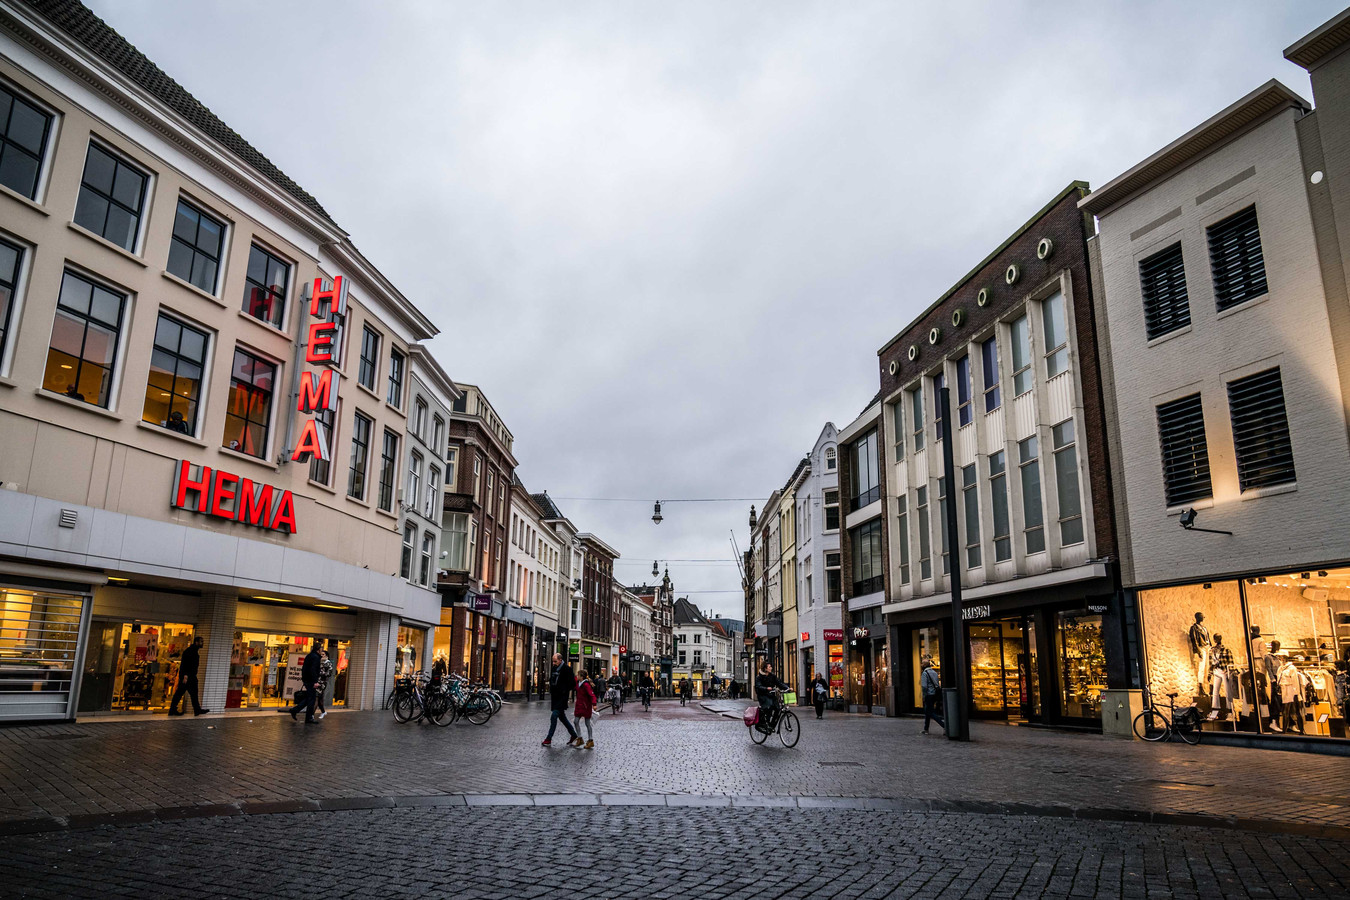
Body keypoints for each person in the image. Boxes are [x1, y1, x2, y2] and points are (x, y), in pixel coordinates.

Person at [543, 653, 580, 747]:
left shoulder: (567, 669)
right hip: (555, 697)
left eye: (555, 661)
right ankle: (574, 735)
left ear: (560, 660)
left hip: (562, 698)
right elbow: (552, 679)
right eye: (553, 661)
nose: (554, 663)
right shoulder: (554, 668)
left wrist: (564, 690)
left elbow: (572, 684)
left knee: (554, 716)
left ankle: (548, 738)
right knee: (562, 718)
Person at [168, 636, 209, 716]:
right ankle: (174, 709)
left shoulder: (192, 651)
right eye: (201, 642)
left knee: (189, 694)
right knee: (181, 693)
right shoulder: (190, 651)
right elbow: (186, 664)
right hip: (188, 677)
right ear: (196, 642)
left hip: (190, 676)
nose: (202, 643)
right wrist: (185, 676)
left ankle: (196, 710)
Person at [755, 662, 789, 729]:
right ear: (765, 668)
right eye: (769, 667)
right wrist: (766, 688)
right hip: (763, 695)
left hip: (771, 695)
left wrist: (787, 688)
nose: (771, 668)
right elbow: (758, 686)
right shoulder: (759, 677)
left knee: (778, 708)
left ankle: (771, 725)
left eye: (770, 667)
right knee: (769, 706)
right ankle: (763, 723)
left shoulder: (772, 676)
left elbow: (779, 683)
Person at [920, 656, 944, 735]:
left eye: (922, 663)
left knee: (930, 712)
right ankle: (926, 729)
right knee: (927, 711)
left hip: (929, 694)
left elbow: (924, 686)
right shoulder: (934, 672)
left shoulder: (924, 673)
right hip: (934, 694)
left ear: (924, 665)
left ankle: (944, 725)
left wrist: (924, 695)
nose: (921, 665)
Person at [574, 671, 598, 749]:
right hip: (579, 706)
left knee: (587, 723)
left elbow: (592, 695)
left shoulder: (586, 685)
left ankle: (590, 740)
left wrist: (594, 704)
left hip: (585, 707)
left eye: (578, 675)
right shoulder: (579, 683)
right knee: (575, 721)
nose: (577, 676)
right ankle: (580, 738)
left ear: (581, 677)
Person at [299, 643, 322, 724]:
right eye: (321, 649)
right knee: (311, 700)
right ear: (318, 649)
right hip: (311, 681)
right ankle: (308, 718)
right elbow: (313, 670)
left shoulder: (310, 655)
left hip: (307, 680)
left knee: (309, 698)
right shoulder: (315, 657)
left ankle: (295, 710)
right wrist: (315, 681)